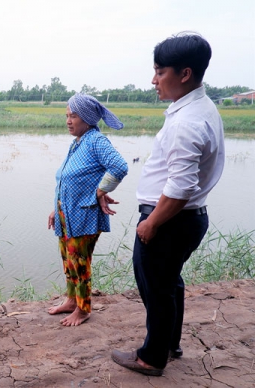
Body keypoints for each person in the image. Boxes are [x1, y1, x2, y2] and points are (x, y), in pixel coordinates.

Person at [112, 32, 225, 376]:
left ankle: (151, 357)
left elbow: (180, 187)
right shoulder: (200, 108)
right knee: (169, 283)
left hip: (170, 220)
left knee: (156, 289)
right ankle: (169, 344)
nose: (154, 80)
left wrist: (152, 223)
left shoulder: (188, 121)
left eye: (160, 72)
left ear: (185, 74)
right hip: (185, 219)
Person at [47, 93, 128, 326]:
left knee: (80, 262)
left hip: (84, 214)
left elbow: (119, 167)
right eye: (67, 116)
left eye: (74, 116)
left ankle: (83, 309)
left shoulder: (95, 141)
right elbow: (67, 180)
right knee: (68, 259)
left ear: (88, 118)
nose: (68, 121)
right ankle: (72, 300)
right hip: (66, 213)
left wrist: (100, 192)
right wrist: (56, 208)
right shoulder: (77, 143)